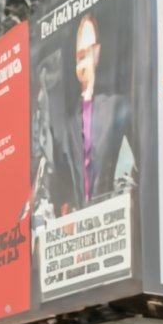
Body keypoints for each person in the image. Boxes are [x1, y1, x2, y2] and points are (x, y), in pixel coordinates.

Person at [51, 14, 134, 213]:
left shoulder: (117, 108)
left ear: (97, 53)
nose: (83, 59)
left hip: (110, 219)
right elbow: (61, 178)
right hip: (79, 225)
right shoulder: (68, 121)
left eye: (88, 52)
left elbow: (130, 170)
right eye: (79, 54)